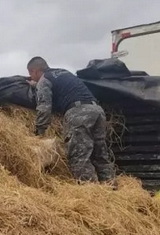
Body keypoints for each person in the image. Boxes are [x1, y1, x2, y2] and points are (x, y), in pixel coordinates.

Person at [27, 56, 116, 184]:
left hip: (79, 114)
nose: (31, 77)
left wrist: (38, 133)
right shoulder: (62, 72)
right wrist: (36, 85)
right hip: (97, 111)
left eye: (31, 74)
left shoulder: (44, 81)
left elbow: (44, 108)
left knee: (79, 156)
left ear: (34, 71)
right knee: (100, 155)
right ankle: (111, 188)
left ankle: (91, 193)